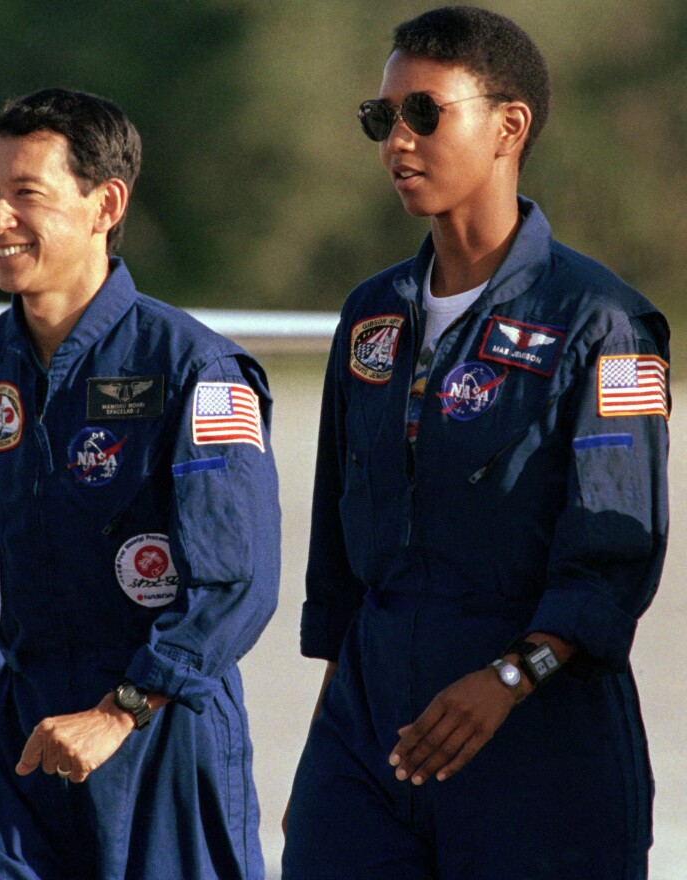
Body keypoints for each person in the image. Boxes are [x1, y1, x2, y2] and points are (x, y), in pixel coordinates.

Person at [282, 7, 669, 879]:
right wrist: (334, 721)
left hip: (539, 747)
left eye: (424, 113)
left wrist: (511, 677)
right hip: (371, 740)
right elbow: (337, 543)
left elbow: (614, 552)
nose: (396, 142)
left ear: (509, 126)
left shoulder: (603, 323)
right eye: (382, 119)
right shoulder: (370, 316)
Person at [0, 88, 280, 880]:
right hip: (18, 743)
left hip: (158, 735)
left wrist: (120, 710)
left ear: (105, 204)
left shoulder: (196, 368)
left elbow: (238, 584)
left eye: (26, 195)